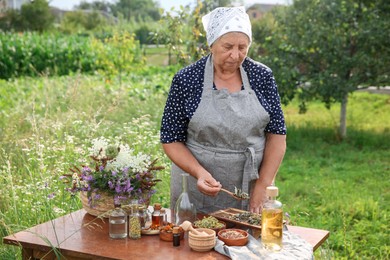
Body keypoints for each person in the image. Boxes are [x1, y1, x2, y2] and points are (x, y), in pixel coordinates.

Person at [160, 6, 286, 214]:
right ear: (211, 44)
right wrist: (199, 173)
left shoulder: (262, 76)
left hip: (252, 183)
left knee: (249, 242)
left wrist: (262, 187)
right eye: (228, 46)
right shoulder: (187, 79)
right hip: (197, 187)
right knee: (194, 239)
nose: (235, 55)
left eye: (242, 47)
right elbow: (171, 138)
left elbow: (277, 135)